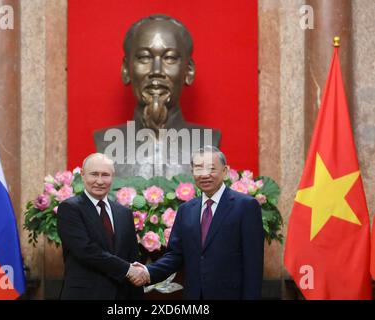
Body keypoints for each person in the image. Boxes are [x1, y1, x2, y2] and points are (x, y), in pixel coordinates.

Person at [94, 14, 221, 179]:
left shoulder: (208, 140)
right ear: (126, 69)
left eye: (169, 58)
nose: (156, 71)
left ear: (188, 71)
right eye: (144, 58)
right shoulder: (105, 141)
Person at [131, 146, 264, 299]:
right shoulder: (186, 210)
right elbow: (175, 255)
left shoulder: (245, 206)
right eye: (199, 169)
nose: (205, 175)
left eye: (212, 169)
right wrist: (147, 272)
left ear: (225, 171)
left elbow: (253, 264)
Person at [56, 153, 147, 299]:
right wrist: (128, 270)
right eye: (94, 174)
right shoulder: (69, 208)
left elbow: (132, 255)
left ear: (113, 177)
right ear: (83, 175)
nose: (99, 181)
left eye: (105, 175)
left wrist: (138, 277)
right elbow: (86, 250)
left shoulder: (124, 213)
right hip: (84, 295)